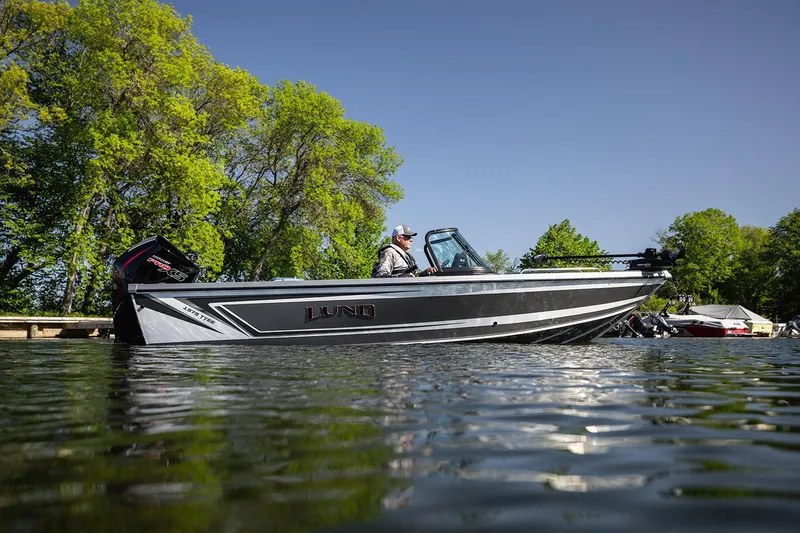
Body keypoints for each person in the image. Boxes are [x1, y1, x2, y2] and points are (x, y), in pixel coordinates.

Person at [372, 225, 438, 278]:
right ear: (398, 238)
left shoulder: (408, 256)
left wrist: (427, 272)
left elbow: (415, 275)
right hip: (397, 292)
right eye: (408, 237)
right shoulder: (389, 252)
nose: (411, 240)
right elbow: (380, 275)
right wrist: (402, 277)